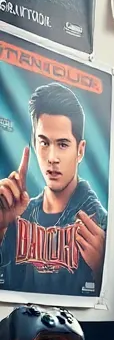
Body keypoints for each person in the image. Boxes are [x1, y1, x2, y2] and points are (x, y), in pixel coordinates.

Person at [0, 83, 107, 298]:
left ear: (80, 150)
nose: (52, 158)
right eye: (44, 143)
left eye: (63, 144)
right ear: (34, 143)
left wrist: (103, 270)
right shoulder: (17, 216)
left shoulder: (99, 225)